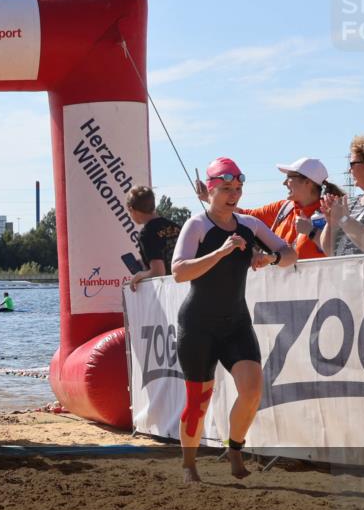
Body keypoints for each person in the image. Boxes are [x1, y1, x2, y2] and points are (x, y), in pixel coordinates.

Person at [171, 157, 297, 483]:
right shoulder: (197, 225)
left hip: (235, 323)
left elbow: (290, 253)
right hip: (197, 325)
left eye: (238, 189)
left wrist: (269, 258)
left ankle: (236, 449)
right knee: (199, 400)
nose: (233, 195)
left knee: (253, 390)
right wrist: (221, 253)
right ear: (210, 190)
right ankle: (189, 463)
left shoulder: (249, 225)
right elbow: (179, 271)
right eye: (226, 189)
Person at [195, 157, 345, 260]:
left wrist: (311, 232)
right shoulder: (283, 207)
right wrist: (210, 198)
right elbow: (245, 216)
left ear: (307, 182)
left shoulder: (332, 211)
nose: (284, 183)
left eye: (289, 177)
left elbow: (341, 254)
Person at [125, 186, 182, 290]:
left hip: (169, 291)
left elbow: (158, 272)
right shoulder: (176, 227)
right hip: (186, 286)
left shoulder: (146, 234)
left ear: (131, 209)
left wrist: (140, 275)